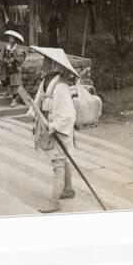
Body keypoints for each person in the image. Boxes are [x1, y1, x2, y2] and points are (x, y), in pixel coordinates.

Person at [27, 46, 79, 213]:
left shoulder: (62, 87)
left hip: (59, 129)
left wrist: (54, 126)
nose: (44, 64)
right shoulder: (45, 82)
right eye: (45, 60)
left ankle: (54, 202)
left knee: (58, 163)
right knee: (65, 158)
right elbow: (38, 100)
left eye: (47, 61)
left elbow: (69, 115)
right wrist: (32, 113)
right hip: (47, 126)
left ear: (55, 66)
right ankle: (68, 189)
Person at [0, 30, 26, 107]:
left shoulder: (19, 49)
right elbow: (1, 55)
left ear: (15, 40)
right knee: (4, 79)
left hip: (14, 68)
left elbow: (21, 58)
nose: (10, 39)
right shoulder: (6, 47)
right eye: (9, 38)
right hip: (5, 67)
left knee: (14, 84)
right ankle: (7, 91)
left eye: (12, 38)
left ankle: (14, 100)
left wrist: (15, 59)